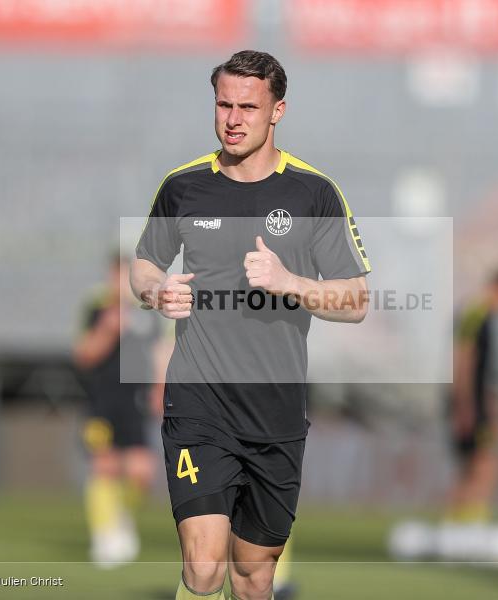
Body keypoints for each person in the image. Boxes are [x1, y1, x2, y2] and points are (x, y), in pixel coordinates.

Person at [131, 50, 371, 600]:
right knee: (204, 565)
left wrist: (292, 283)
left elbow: (356, 300)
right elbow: (144, 263)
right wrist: (154, 290)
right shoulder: (183, 186)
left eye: (247, 106)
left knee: (252, 575)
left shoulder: (314, 193)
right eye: (223, 104)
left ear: (277, 111)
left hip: (275, 412)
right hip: (198, 399)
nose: (233, 119)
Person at [74, 255, 161, 567]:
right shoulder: (97, 308)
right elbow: (83, 355)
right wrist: (109, 330)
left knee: (141, 472)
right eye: (116, 275)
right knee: (104, 466)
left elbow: (158, 352)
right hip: (102, 402)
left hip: (136, 401)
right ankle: (104, 536)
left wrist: (162, 388)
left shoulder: (148, 310)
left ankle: (121, 518)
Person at [446, 268, 498, 524]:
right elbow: (463, 359)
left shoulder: (482, 315)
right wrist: (464, 405)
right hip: (469, 402)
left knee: (472, 467)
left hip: (475, 401)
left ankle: (456, 526)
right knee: (485, 465)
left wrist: (494, 404)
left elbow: (483, 370)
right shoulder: (475, 313)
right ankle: (470, 524)